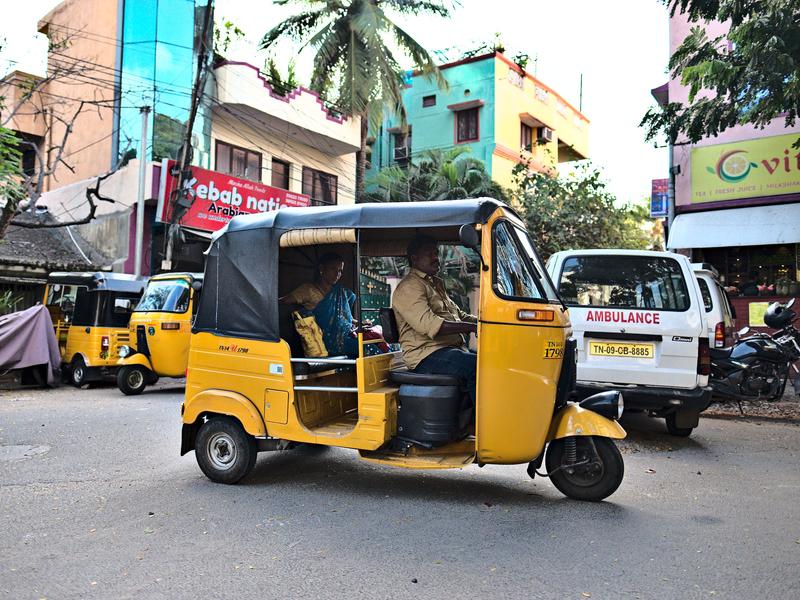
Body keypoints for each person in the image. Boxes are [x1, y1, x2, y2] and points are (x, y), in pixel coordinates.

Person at [391, 235, 478, 413]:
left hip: (448, 349)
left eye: (436, 253)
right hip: (425, 355)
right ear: (414, 259)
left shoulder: (434, 283)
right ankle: (483, 424)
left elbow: (457, 315)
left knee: (492, 361)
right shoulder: (410, 287)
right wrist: (473, 327)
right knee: (476, 366)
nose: (435, 257)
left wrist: (485, 322)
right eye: (429, 253)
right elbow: (429, 325)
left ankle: (464, 417)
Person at [281, 252, 386, 357]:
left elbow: (342, 317)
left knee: (377, 345)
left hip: (343, 338)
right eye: (333, 269)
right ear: (322, 269)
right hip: (326, 342)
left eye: (340, 271)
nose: (337, 274)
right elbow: (281, 302)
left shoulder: (341, 292)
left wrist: (359, 323)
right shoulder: (308, 290)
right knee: (369, 350)